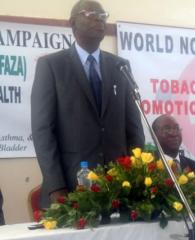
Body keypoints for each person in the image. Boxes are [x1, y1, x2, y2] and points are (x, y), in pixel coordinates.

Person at [31, 0, 144, 208]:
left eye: (103, 15)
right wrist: (56, 186)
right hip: (71, 186)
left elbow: (134, 128)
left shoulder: (120, 66)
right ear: (73, 23)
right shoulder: (51, 66)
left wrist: (137, 176)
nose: (100, 20)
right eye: (92, 14)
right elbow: (42, 131)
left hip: (120, 185)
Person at [152, 114, 195, 179]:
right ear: (154, 135)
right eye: (167, 129)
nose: (174, 133)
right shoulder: (147, 165)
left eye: (177, 128)